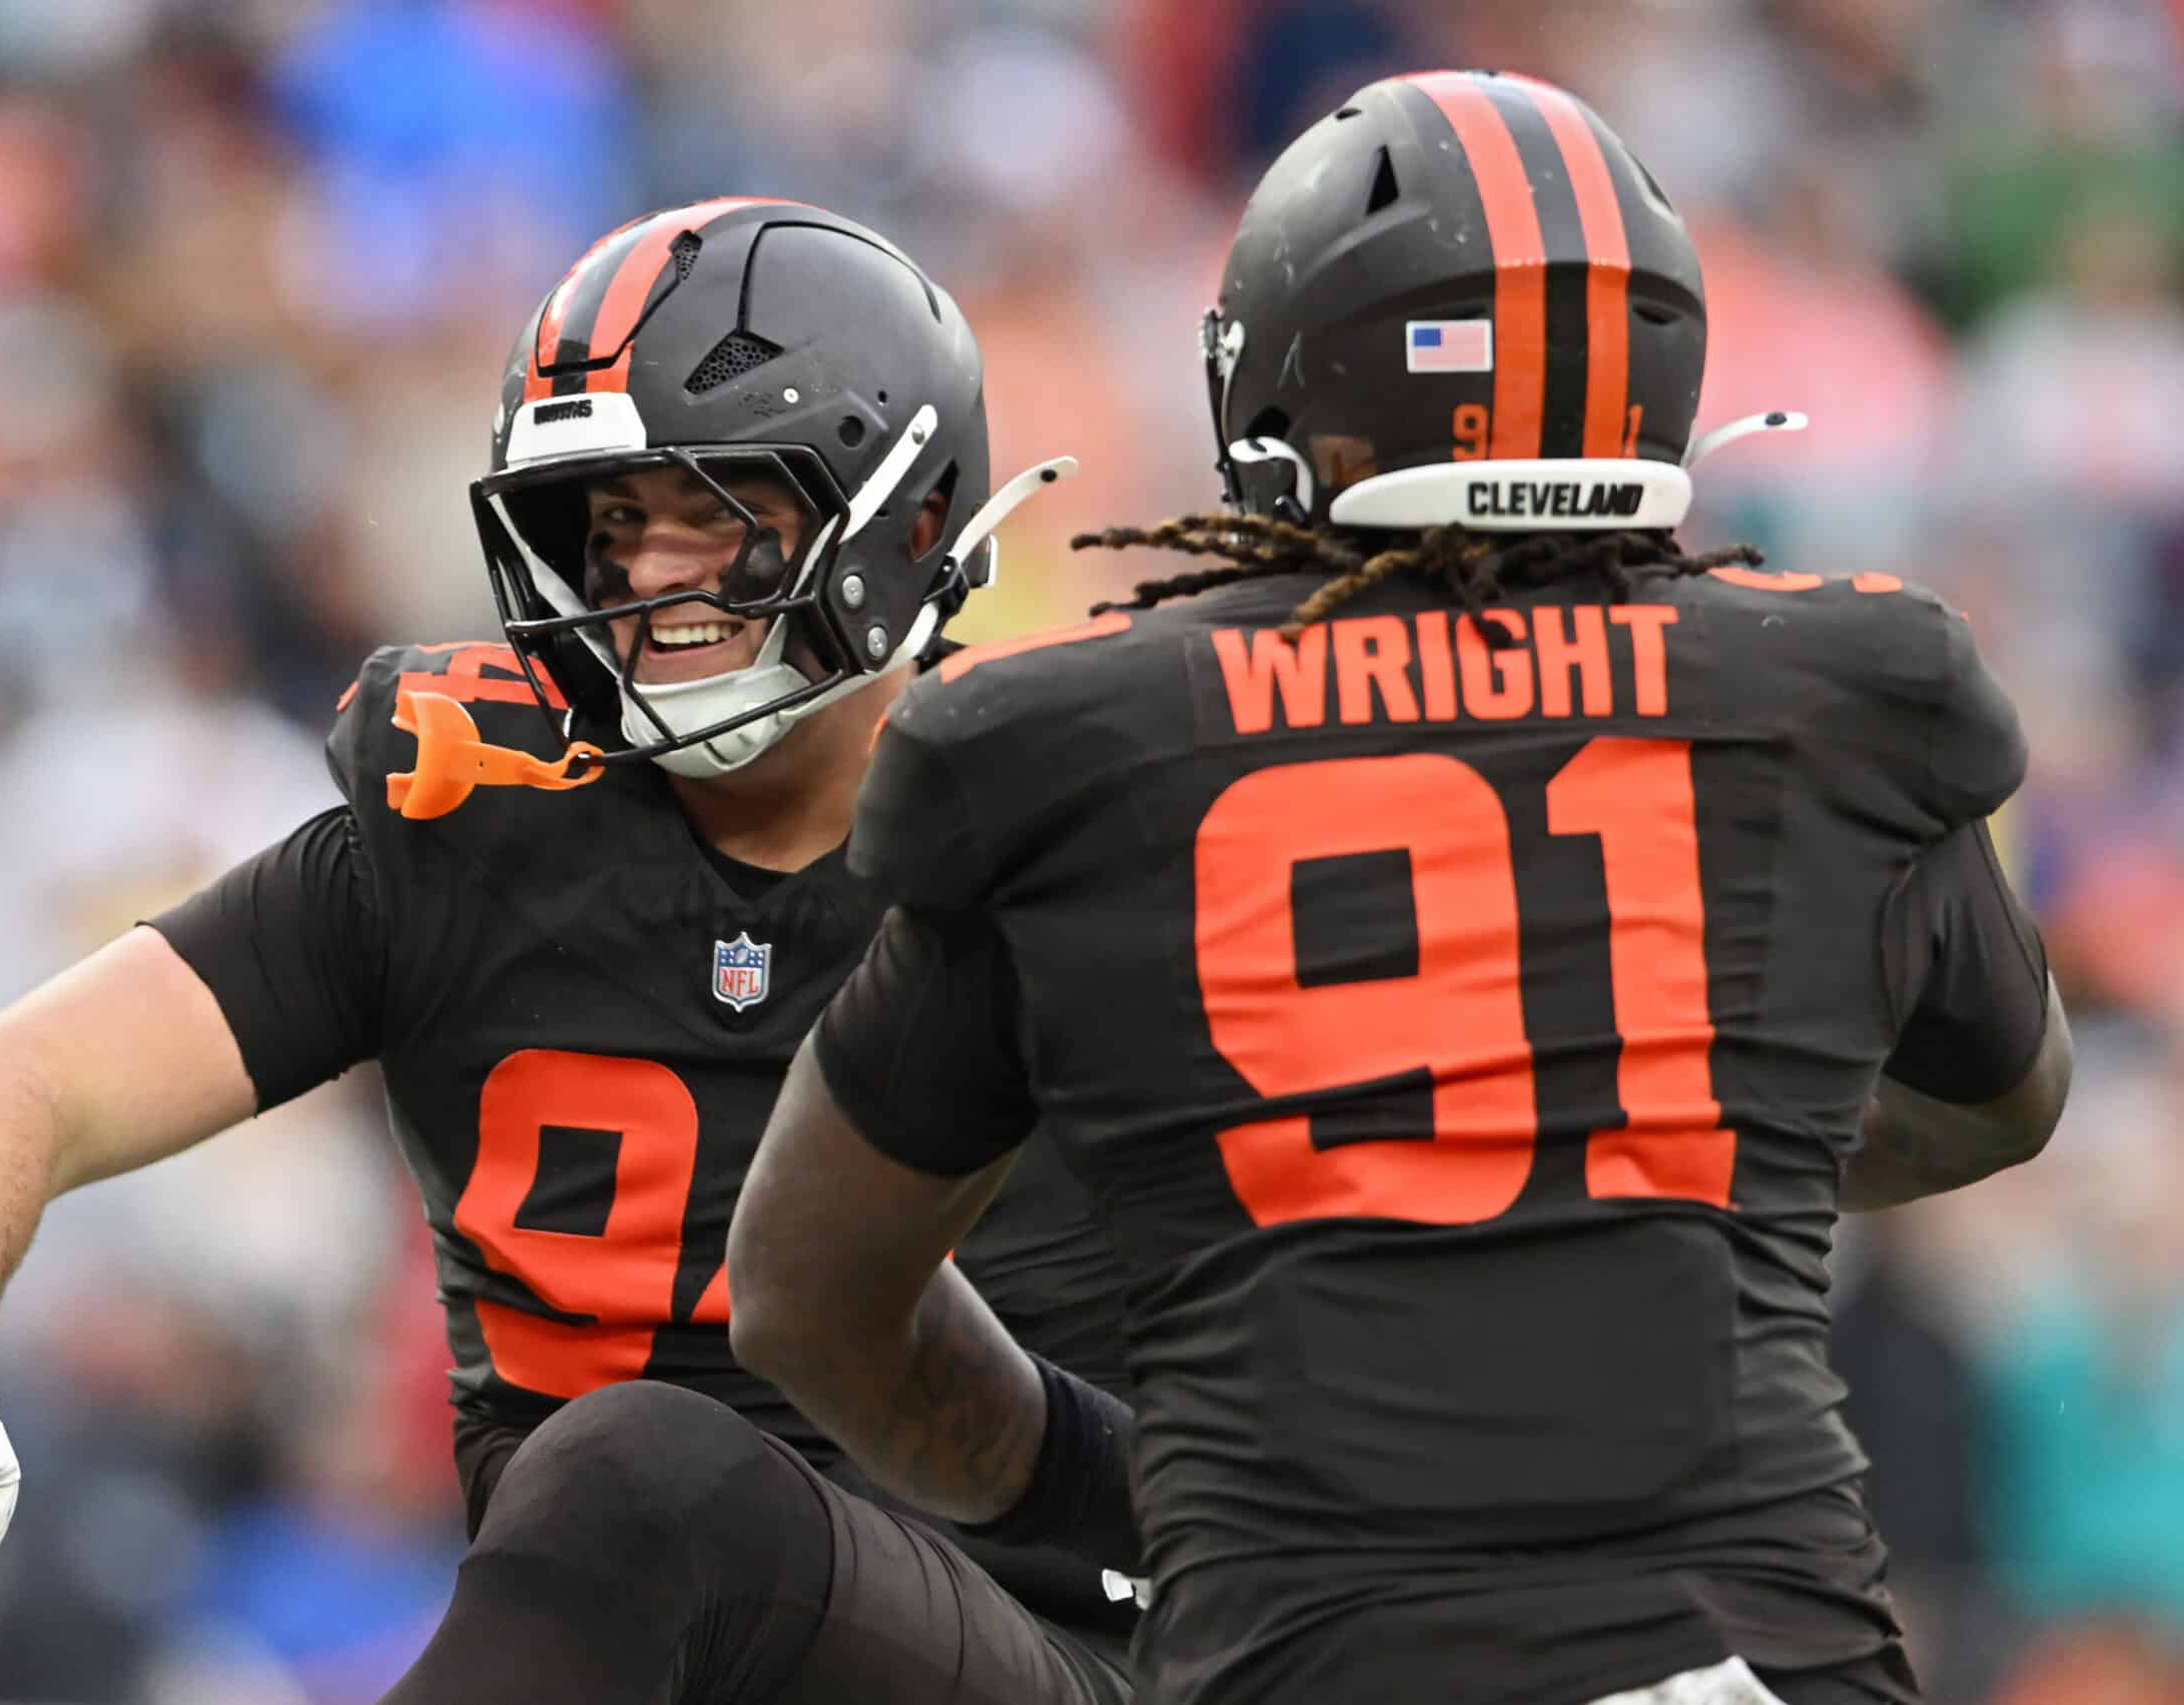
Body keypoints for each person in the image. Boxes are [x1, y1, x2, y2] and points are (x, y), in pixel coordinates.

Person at [728, 71, 2074, 1705]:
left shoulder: (1069, 744)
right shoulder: (1844, 692)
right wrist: (1626, 1135)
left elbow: (808, 1295)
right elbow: (2004, 1101)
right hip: (1765, 1659)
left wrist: (1116, 1489)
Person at [0, 196, 1134, 1705]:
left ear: (910, 519)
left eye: (725, 511)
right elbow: (10, 1086)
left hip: (1037, 1643)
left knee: (650, 1462)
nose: (652, 582)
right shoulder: (474, 824)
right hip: (615, 1652)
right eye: (614, 525)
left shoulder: (1077, 849)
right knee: (631, 1478)